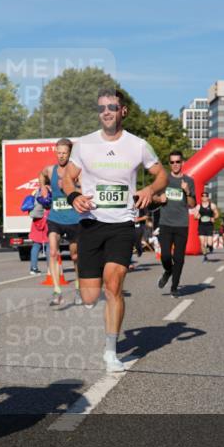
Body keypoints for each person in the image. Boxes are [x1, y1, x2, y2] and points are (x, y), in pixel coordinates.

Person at [61, 88, 167, 372]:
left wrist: (149, 188)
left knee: (114, 286)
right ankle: (90, 298)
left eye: (112, 106)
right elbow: (67, 179)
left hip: (122, 224)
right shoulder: (83, 144)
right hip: (91, 223)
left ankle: (111, 351)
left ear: (123, 111)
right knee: (90, 296)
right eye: (101, 108)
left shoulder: (139, 145)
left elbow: (162, 175)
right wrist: (74, 197)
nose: (106, 111)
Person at [40, 139, 82, 306]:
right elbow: (41, 174)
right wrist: (43, 187)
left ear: (69, 153)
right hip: (55, 218)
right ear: (55, 151)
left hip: (74, 219)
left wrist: (71, 187)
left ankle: (79, 288)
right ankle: (57, 291)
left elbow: (86, 190)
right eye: (59, 152)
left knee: (75, 256)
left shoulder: (77, 171)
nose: (61, 155)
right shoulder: (51, 170)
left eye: (64, 152)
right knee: (52, 252)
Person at [153, 150, 196, 296]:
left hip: (182, 224)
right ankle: (168, 271)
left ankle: (174, 287)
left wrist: (187, 191)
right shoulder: (164, 180)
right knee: (165, 255)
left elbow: (192, 204)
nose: (175, 164)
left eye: (178, 161)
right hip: (165, 223)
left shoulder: (189, 181)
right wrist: (160, 199)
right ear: (169, 164)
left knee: (179, 258)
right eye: (172, 162)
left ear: (182, 163)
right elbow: (153, 197)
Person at [27, 188, 50, 274]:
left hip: (36, 221)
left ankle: (33, 268)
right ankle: (50, 268)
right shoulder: (48, 190)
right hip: (47, 219)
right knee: (49, 244)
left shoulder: (36, 192)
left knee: (36, 244)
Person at [195, 191, 219, 262]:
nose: (204, 197)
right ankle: (205, 256)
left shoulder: (212, 205)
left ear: (208, 197)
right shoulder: (198, 206)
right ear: (201, 197)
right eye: (203, 196)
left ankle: (210, 247)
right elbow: (195, 216)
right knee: (202, 243)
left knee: (209, 243)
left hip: (209, 226)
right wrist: (197, 217)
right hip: (201, 226)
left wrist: (214, 218)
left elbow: (217, 214)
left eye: (206, 196)